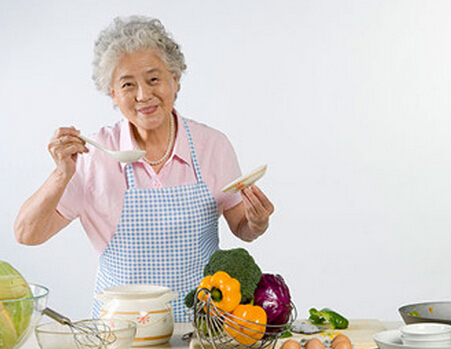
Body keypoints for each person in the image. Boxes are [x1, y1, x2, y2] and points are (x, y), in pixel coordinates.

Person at [14, 15, 274, 322]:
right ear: (112, 93)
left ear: (175, 80)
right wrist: (61, 174)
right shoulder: (94, 155)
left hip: (200, 326)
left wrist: (257, 221)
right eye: (127, 84)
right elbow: (26, 234)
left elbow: (243, 229)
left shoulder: (212, 146)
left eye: (153, 79)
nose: (143, 95)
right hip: (120, 330)